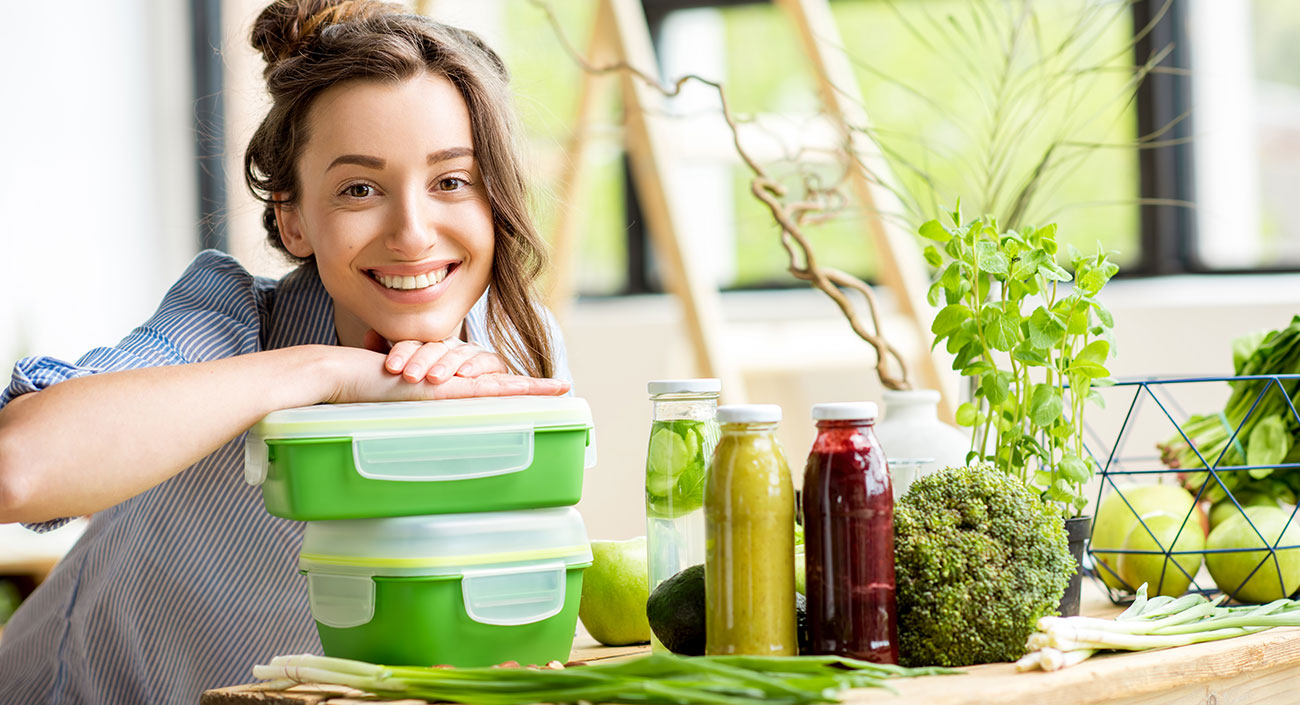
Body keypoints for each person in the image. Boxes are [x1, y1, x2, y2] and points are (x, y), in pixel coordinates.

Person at [0, 1, 572, 701]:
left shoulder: (514, 347)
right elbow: (17, 469)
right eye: (360, 188)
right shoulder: (229, 321)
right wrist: (325, 372)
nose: (415, 233)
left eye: (451, 180)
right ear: (292, 217)